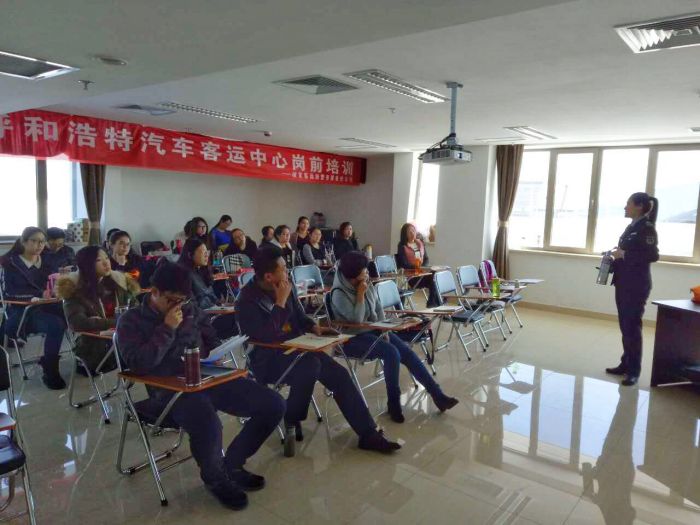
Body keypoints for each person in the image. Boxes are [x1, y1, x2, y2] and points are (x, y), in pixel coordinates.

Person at [117, 262, 285, 511]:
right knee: (207, 421)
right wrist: (167, 328)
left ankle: (232, 463)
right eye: (171, 300)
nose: (178, 306)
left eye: (182, 300)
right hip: (169, 391)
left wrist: (216, 353)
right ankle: (215, 478)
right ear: (154, 292)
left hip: (205, 377)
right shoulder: (131, 321)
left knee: (273, 404)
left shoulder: (190, 309)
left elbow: (210, 338)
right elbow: (139, 364)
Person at [236, 246, 401, 453]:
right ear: (269, 276)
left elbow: (300, 317)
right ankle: (292, 417)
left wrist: (315, 328)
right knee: (310, 365)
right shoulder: (246, 300)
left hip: (299, 349)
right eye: (283, 269)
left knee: (340, 375)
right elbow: (266, 336)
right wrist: (280, 302)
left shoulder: (286, 285)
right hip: (267, 359)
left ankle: (368, 434)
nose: (287, 272)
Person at [330, 251, 458, 422]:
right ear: (353, 274)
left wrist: (384, 329)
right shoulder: (339, 293)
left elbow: (378, 310)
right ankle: (394, 402)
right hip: (351, 339)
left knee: (406, 352)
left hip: (372, 330)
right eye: (363, 270)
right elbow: (357, 320)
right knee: (391, 353)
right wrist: (360, 295)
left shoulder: (365, 284)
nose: (367, 273)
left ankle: (438, 395)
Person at [1, 227, 67, 389]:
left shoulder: (47, 261)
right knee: (56, 324)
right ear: (23, 242)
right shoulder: (10, 263)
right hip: (22, 313)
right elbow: (8, 293)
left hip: (48, 307)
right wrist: (38, 295)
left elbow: (53, 285)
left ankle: (87, 358)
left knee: (71, 315)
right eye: (34, 241)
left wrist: (60, 287)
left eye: (42, 242)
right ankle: (50, 368)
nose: (39, 245)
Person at [57, 245, 140, 373]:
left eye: (106, 258)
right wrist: (119, 322)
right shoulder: (75, 290)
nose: (106, 263)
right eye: (98, 260)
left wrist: (102, 322)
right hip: (96, 348)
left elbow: (136, 311)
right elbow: (78, 323)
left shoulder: (118, 284)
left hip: (123, 340)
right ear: (87, 265)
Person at [605, 193, 659, 386]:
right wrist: (615, 256)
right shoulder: (632, 226)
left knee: (632, 327)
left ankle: (634, 371)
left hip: (636, 285)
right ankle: (626, 363)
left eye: (628, 204)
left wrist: (624, 254)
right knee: (625, 326)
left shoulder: (647, 228)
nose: (625, 207)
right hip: (624, 282)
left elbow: (653, 255)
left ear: (639, 206)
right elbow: (630, 251)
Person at [178, 238, 237, 338]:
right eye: (203, 252)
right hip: (202, 321)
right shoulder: (183, 274)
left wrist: (224, 305)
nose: (207, 255)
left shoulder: (201, 271)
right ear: (190, 255)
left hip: (213, 314)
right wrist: (217, 309)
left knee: (244, 313)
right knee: (242, 318)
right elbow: (190, 307)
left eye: (207, 252)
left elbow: (211, 299)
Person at [396, 223, 439, 307]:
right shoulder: (402, 246)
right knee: (433, 277)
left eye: (413, 230)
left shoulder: (420, 243)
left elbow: (426, 259)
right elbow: (404, 264)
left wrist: (423, 267)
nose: (412, 233)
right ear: (405, 234)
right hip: (412, 276)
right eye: (409, 232)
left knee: (435, 275)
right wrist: (416, 268)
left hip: (422, 273)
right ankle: (434, 302)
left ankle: (434, 302)